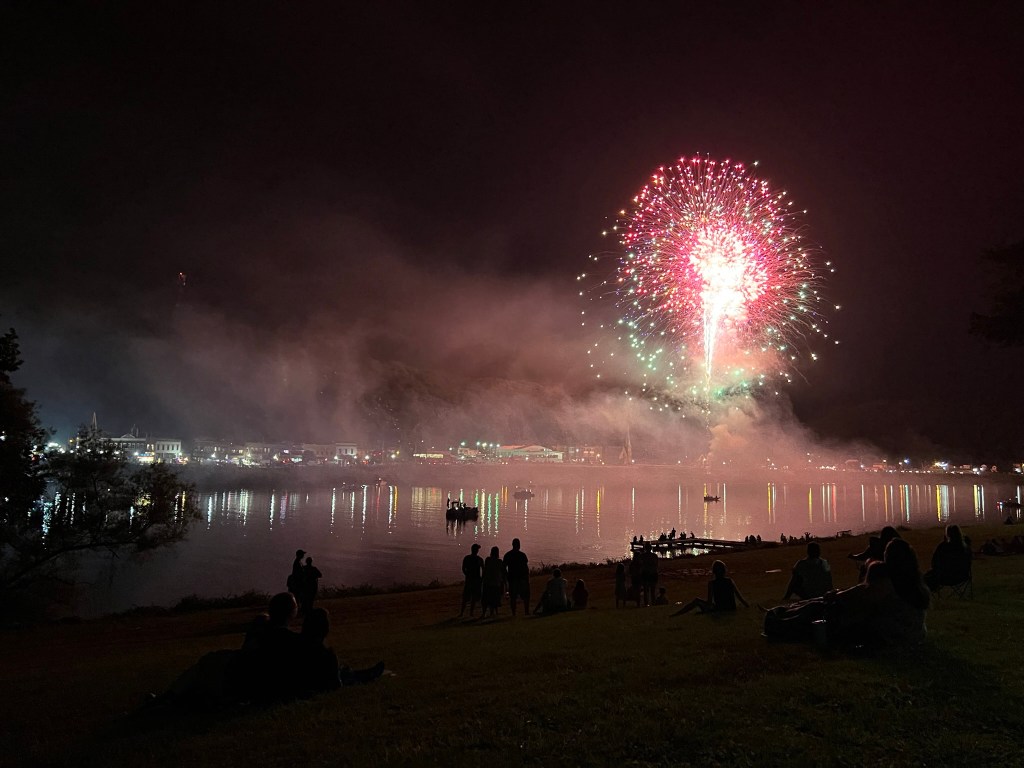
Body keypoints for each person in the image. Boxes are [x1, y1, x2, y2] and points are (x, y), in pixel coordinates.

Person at [671, 560, 749, 615]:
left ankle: (678, 614)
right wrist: (746, 605)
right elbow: (739, 597)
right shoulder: (729, 581)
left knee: (697, 600)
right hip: (731, 607)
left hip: (720, 608)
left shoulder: (712, 583)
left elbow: (709, 602)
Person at [923, 524, 971, 592]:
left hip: (945, 577)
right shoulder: (965, 548)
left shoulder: (943, 547)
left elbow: (934, 562)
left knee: (925, 578)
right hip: (962, 576)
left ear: (948, 535)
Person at [502, 538, 530, 616]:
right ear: (519, 545)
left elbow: (503, 567)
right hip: (521, 578)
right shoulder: (522, 555)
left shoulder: (508, 555)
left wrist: (506, 576)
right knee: (525, 596)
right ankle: (526, 612)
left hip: (513, 578)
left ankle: (514, 613)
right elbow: (526, 568)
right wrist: (527, 578)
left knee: (513, 597)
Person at [481, 546, 506, 618]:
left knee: (486, 599)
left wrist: (482, 579)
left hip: (487, 582)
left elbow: (485, 571)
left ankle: (484, 613)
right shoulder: (499, 562)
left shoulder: (488, 560)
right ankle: (493, 613)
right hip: (495, 583)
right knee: (494, 599)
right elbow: (503, 572)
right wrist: (503, 582)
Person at [460, 543, 484, 616]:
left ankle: (462, 613)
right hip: (476, 580)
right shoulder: (479, 559)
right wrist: (481, 578)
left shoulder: (467, 558)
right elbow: (483, 569)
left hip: (470, 580)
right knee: (473, 597)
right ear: (476, 551)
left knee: (466, 597)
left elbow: (463, 568)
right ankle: (471, 613)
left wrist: (467, 574)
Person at [639, 542, 659, 606]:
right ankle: (653, 602)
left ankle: (646, 603)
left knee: (646, 590)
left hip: (646, 573)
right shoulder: (654, 556)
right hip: (652, 573)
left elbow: (640, 564)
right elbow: (656, 565)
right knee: (652, 590)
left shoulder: (642, 556)